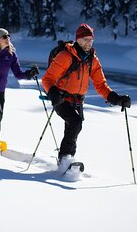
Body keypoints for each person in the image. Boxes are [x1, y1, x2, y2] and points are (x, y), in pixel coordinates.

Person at [42, 23, 131, 171]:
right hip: (61, 98)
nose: (88, 42)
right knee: (75, 122)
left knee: (74, 127)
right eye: (85, 39)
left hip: (78, 100)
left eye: (91, 39)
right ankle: (65, 160)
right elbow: (47, 79)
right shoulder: (65, 56)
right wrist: (53, 93)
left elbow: (101, 85)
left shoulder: (92, 60)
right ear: (77, 39)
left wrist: (117, 99)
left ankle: (67, 163)